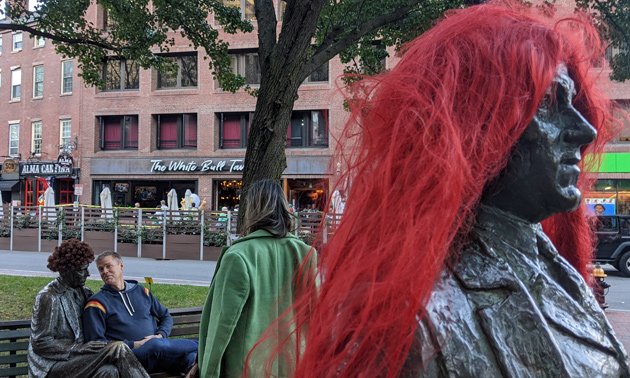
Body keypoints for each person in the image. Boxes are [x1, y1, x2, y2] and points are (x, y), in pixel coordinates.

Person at [264, 3, 630, 377]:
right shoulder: (410, 319)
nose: (584, 131)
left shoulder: (559, 275)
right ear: (476, 124)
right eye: (550, 103)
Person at [198, 179, 317, 377]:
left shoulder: (239, 256)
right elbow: (318, 315)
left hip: (248, 367)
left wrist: (208, 372)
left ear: (251, 210)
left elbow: (221, 325)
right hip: (296, 363)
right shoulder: (307, 254)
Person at [28, 239, 149, 378]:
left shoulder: (85, 293)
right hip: (53, 366)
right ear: (67, 270)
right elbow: (40, 342)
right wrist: (77, 349)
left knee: (109, 372)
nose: (88, 274)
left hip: (81, 359)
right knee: (118, 348)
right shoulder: (48, 297)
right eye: (82, 270)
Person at [82, 251, 198, 375]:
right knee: (154, 345)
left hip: (158, 355)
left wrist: (161, 335)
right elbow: (96, 344)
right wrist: (136, 344)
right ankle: (202, 344)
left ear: (121, 266)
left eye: (108, 266)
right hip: (129, 358)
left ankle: (197, 350)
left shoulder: (142, 292)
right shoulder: (97, 303)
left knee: (192, 357)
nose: (104, 271)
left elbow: (165, 316)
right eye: (101, 269)